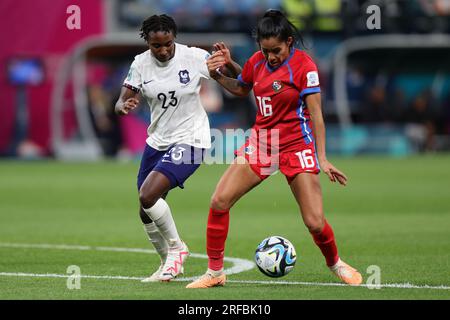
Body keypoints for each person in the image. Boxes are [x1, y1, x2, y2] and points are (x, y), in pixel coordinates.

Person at [187, 9, 363, 288]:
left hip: (296, 145)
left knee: (315, 222)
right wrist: (221, 73)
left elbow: (316, 114)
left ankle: (336, 264)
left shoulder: (305, 66)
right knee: (219, 201)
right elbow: (244, 87)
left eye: (276, 50)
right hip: (263, 144)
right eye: (265, 49)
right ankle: (215, 272)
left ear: (289, 41)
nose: (271, 56)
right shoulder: (257, 61)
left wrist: (323, 158)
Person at [114, 14, 239, 282]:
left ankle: (177, 248)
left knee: (148, 195)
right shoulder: (140, 64)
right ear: (147, 42)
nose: (163, 50)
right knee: (145, 208)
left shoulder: (193, 57)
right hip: (157, 140)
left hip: (192, 138)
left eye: (167, 44)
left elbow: (239, 86)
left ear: (174, 38)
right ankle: (166, 264)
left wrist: (228, 65)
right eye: (156, 45)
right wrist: (123, 106)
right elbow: (121, 100)